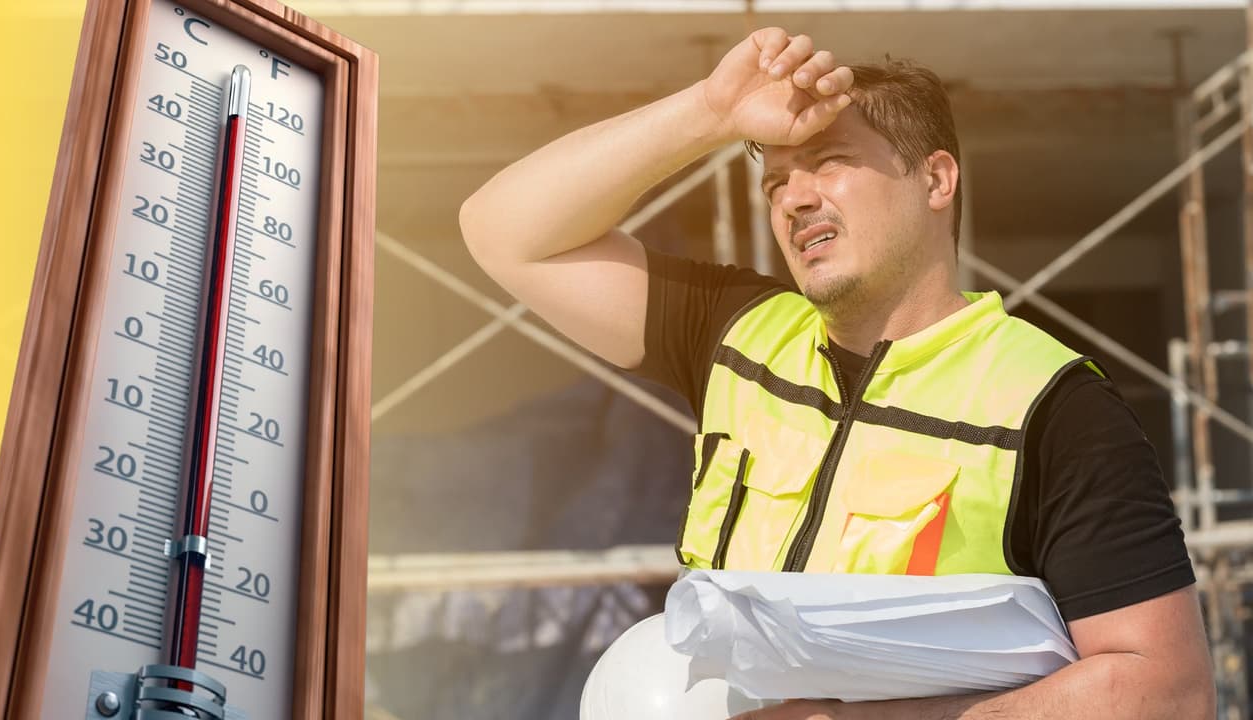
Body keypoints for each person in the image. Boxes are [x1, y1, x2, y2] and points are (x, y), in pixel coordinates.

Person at [459, 27, 1215, 719]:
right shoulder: (731, 333)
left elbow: (1167, 690)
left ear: (937, 180)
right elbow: (506, 232)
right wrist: (712, 111)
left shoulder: (1051, 404)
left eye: (829, 161)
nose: (793, 198)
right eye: (775, 180)